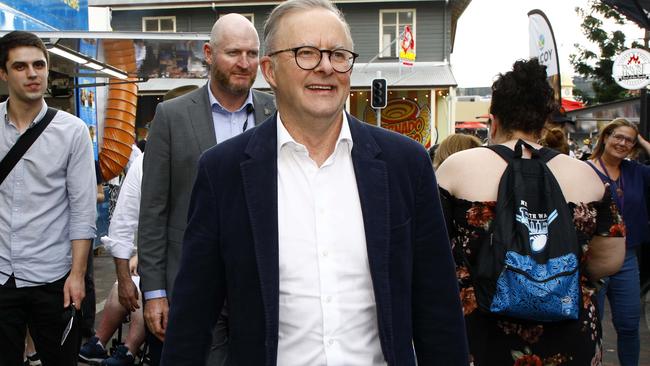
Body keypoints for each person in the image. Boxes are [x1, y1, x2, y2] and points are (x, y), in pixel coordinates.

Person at [160, 0, 468, 364]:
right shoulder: (222, 172)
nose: (325, 67)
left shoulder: (405, 164)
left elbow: (438, 312)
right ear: (270, 70)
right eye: (305, 53)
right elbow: (192, 319)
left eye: (338, 55)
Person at [435, 58, 626, 365]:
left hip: (481, 333)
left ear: (493, 120)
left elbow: (431, 251)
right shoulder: (588, 177)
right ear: (544, 122)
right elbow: (610, 260)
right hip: (567, 333)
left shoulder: (456, 170)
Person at [137, 13, 276, 365]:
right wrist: (154, 292)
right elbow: (154, 210)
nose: (244, 63)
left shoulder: (277, 113)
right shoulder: (171, 117)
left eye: (251, 53)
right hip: (193, 282)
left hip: (260, 285)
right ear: (208, 54)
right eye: (233, 53)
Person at [0, 30, 96, 365]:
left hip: (53, 278)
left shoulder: (72, 132)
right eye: (21, 66)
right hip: (1, 275)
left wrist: (77, 275)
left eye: (39, 65)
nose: (32, 74)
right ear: (3, 73)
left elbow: (83, 210)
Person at [588, 118, 650, 366]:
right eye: (618, 137)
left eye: (629, 140)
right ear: (605, 137)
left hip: (627, 257)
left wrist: (644, 142)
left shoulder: (635, 171)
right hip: (593, 257)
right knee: (593, 324)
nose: (622, 143)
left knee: (628, 323)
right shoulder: (585, 169)